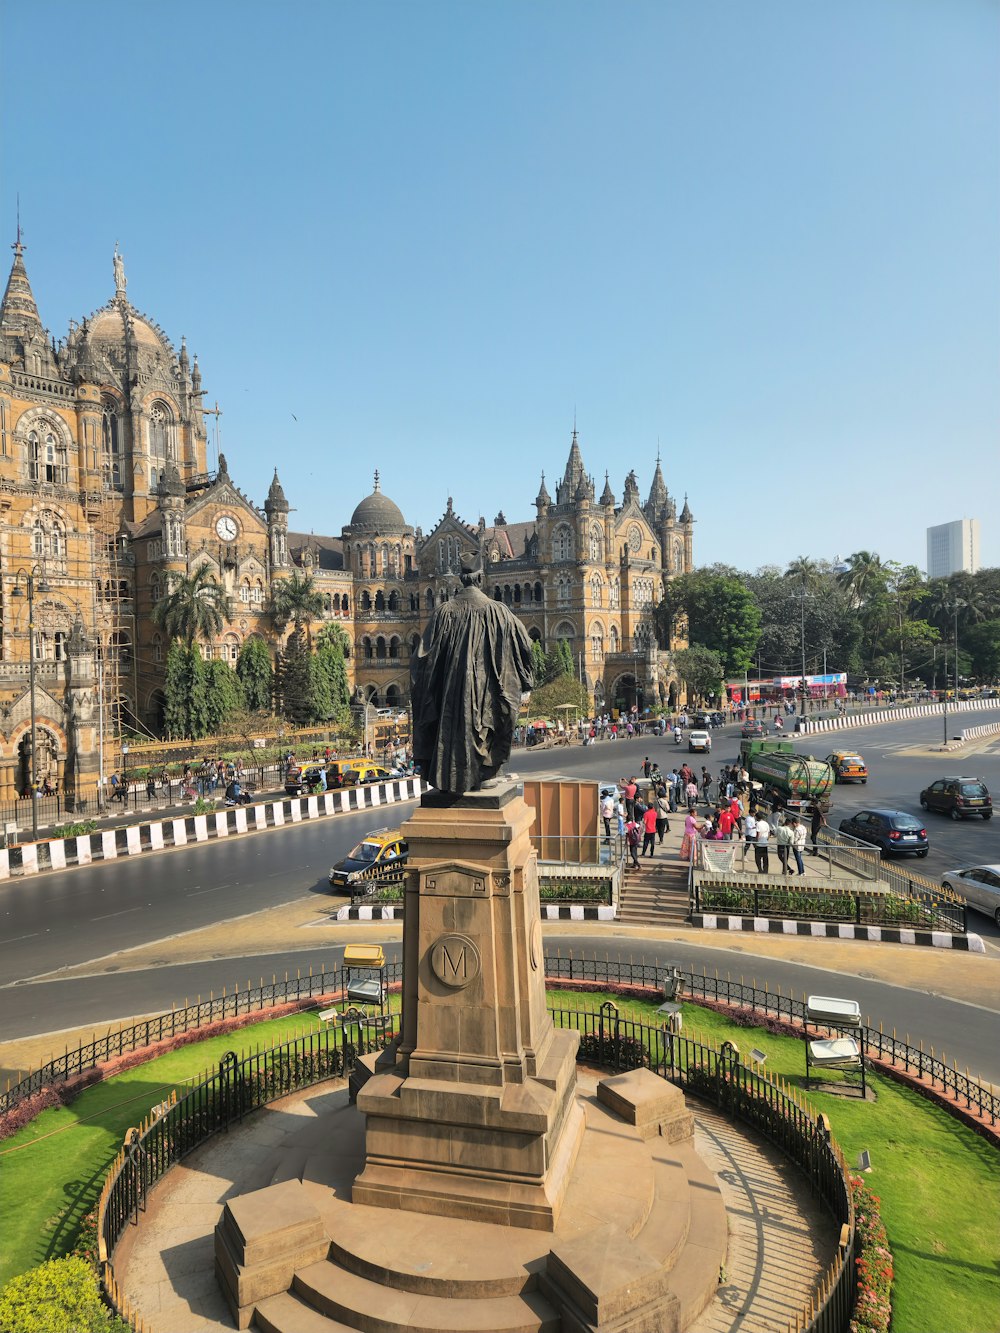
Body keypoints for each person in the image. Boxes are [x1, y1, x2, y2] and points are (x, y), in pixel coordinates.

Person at [411, 553, 534, 795]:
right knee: (485, 724)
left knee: (451, 726)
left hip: (450, 694)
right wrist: (526, 680)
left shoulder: (443, 613)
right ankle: (485, 772)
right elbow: (526, 646)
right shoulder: (499, 612)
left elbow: (421, 659)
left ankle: (449, 776)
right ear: (480, 578)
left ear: (461, 579)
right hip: (488, 691)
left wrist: (431, 684)